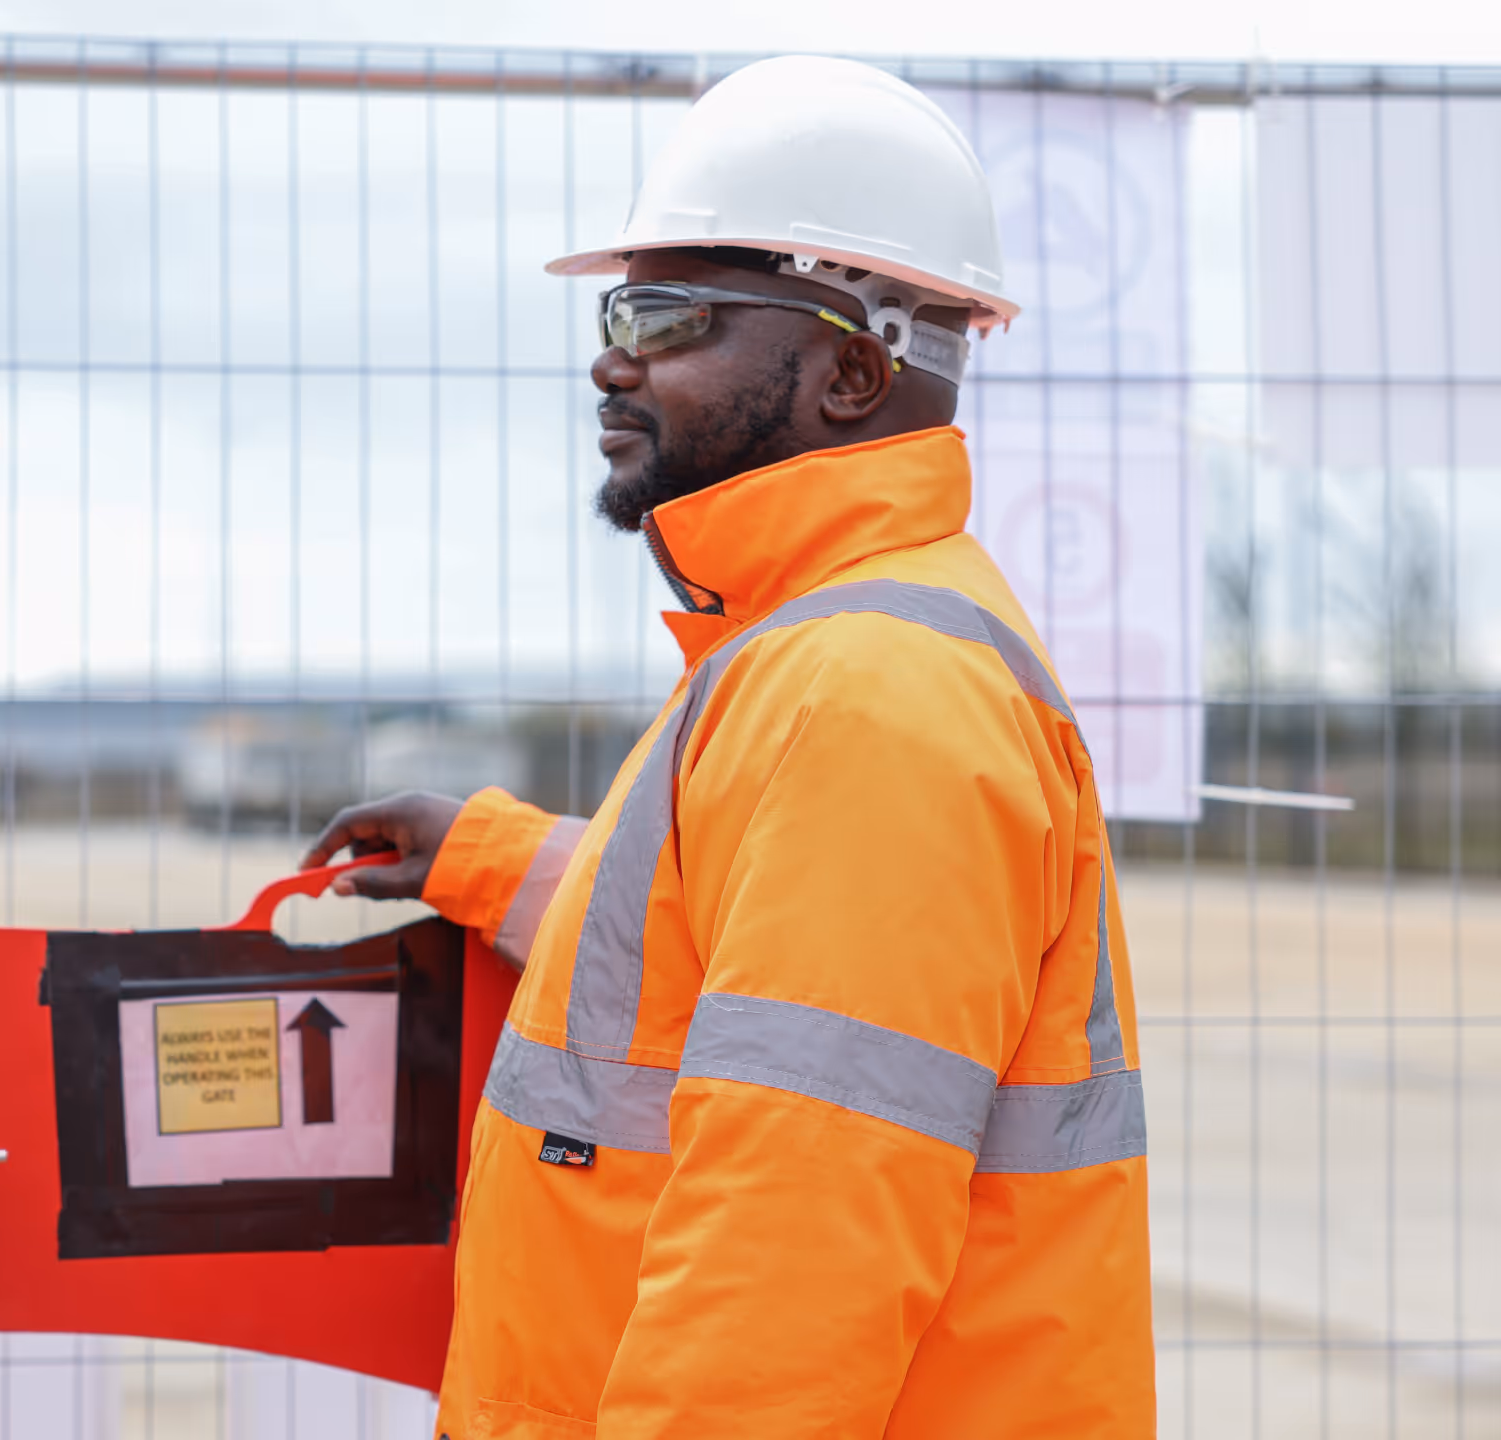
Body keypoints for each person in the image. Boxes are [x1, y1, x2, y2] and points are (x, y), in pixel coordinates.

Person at [302, 55, 1155, 1438]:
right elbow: (729, 959)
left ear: (854, 369)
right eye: (616, 309)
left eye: (669, 314)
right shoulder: (816, 652)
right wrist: (494, 859)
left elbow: (792, 1259)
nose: (611, 354)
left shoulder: (875, 696)